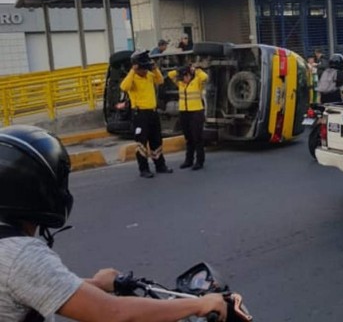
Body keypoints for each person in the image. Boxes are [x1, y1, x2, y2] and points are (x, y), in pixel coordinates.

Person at [0, 125, 227, 322]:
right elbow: (113, 313)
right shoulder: (21, 255)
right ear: (32, 189)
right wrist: (198, 305)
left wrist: (96, 284)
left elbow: (35, 284)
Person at [120, 50, 173, 178]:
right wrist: (133, 71)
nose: (144, 71)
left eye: (146, 68)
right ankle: (144, 169)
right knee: (141, 143)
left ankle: (160, 165)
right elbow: (124, 87)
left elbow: (160, 80)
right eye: (142, 69)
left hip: (152, 113)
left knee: (156, 140)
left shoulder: (149, 75)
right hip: (140, 114)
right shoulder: (132, 78)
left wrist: (154, 69)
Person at [168, 65, 208, 170]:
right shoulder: (180, 83)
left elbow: (205, 77)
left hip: (196, 112)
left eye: (185, 76)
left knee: (197, 138)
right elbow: (170, 75)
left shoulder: (197, 82)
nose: (183, 79)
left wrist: (197, 70)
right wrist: (179, 70)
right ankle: (188, 160)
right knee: (188, 138)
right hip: (184, 112)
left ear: (189, 75)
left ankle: (199, 161)